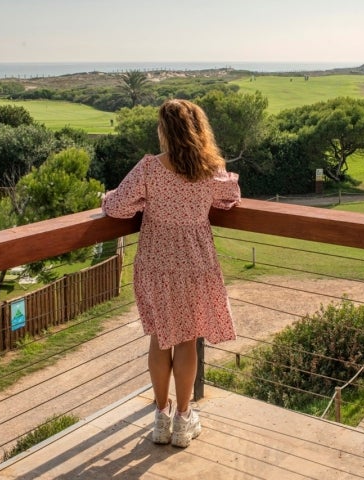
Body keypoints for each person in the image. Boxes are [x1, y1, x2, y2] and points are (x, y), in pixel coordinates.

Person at [102, 99, 241, 448]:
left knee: (159, 336)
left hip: (156, 261)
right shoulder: (210, 168)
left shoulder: (149, 168)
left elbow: (117, 206)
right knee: (187, 339)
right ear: (198, 128)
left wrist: (121, 201)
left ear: (164, 130)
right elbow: (230, 197)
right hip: (195, 261)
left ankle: (160, 419)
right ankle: (183, 419)